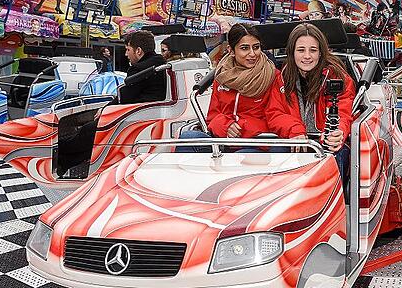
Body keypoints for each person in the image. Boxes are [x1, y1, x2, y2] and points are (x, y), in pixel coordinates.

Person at [57, 30, 166, 175]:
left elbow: (124, 98)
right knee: (92, 137)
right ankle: (66, 161)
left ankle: (60, 153)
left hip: (136, 117)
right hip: (146, 114)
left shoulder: (140, 68)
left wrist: (105, 110)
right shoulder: (159, 64)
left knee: (88, 130)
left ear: (138, 51)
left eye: (128, 50)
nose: (126, 54)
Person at [178, 24, 286, 153]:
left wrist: (242, 127)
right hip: (224, 140)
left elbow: (276, 115)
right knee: (188, 138)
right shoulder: (223, 76)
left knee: (240, 157)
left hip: (256, 143)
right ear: (231, 51)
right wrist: (226, 126)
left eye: (256, 47)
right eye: (245, 48)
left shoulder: (272, 76)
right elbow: (213, 116)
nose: (252, 54)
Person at [269, 23, 356, 179]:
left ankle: (334, 201)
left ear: (321, 53)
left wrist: (338, 133)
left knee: (334, 157)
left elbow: (343, 111)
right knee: (276, 153)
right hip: (294, 141)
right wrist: (294, 131)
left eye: (313, 50)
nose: (307, 56)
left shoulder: (337, 77)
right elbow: (274, 113)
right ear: (292, 52)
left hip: (325, 142)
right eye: (301, 50)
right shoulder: (281, 78)